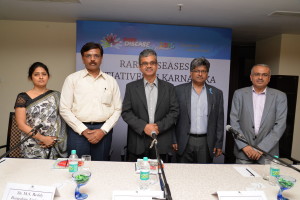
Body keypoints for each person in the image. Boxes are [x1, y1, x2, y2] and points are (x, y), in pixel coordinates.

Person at [60, 42, 122, 161]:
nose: (92, 59)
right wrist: (83, 130)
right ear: (83, 58)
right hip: (77, 131)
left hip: (103, 131)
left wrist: (103, 130)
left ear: (101, 58)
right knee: (76, 167)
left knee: (100, 168)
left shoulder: (111, 81)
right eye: (88, 56)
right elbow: (64, 109)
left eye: (96, 56)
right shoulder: (72, 79)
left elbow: (118, 109)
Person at [122, 49, 179, 162]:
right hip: (137, 142)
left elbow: (174, 112)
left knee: (159, 175)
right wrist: (144, 126)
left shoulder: (169, 88)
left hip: (161, 141)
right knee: (136, 176)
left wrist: (158, 127)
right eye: (145, 63)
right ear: (139, 66)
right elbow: (126, 112)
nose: (149, 66)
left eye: (152, 63)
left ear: (157, 65)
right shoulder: (131, 87)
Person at [230, 64, 287, 164]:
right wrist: (245, 146)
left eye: (264, 75)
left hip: (267, 154)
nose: (260, 77)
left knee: (267, 180)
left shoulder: (280, 96)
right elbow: (234, 122)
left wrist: (261, 149)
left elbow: (280, 126)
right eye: (257, 74)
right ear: (251, 77)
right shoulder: (239, 94)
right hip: (244, 153)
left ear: (269, 78)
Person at [173, 57, 224, 163]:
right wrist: (173, 139)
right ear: (191, 73)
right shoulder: (178, 91)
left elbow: (219, 121)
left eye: (203, 71)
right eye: (197, 71)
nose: (200, 74)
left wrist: (218, 143)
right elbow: (172, 118)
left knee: (204, 175)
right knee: (182, 175)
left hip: (206, 142)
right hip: (184, 141)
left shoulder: (216, 93)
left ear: (207, 74)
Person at [14, 62, 67, 159]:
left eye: (44, 74)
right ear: (30, 77)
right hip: (31, 144)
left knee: (54, 173)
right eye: (36, 74)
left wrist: (52, 140)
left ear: (48, 76)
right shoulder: (23, 97)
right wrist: (42, 138)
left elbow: (63, 120)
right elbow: (21, 124)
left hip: (53, 144)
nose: (41, 77)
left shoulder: (56, 96)